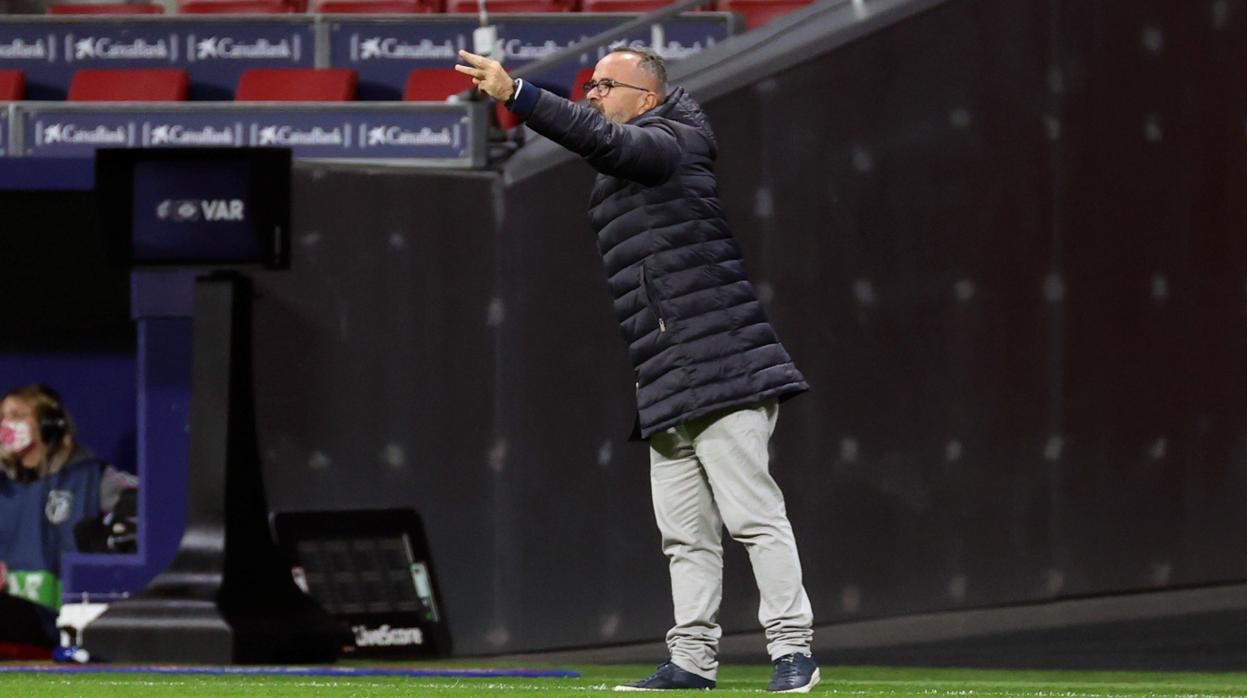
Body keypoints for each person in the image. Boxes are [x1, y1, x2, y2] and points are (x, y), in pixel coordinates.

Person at [456, 46, 820, 693]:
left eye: (604, 84)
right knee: (684, 538)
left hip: (723, 365)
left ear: (645, 98)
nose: (592, 93)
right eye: (588, 84)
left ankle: (793, 653)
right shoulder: (630, 159)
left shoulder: (672, 142)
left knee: (753, 518)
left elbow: (603, 142)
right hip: (665, 378)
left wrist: (519, 93)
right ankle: (690, 663)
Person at [0, 384, 137, 616]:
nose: (6, 425)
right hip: (11, 625)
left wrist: (113, 539)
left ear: (49, 426)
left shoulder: (91, 478)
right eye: (2, 416)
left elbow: (145, 502)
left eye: (18, 416)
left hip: (72, 621)